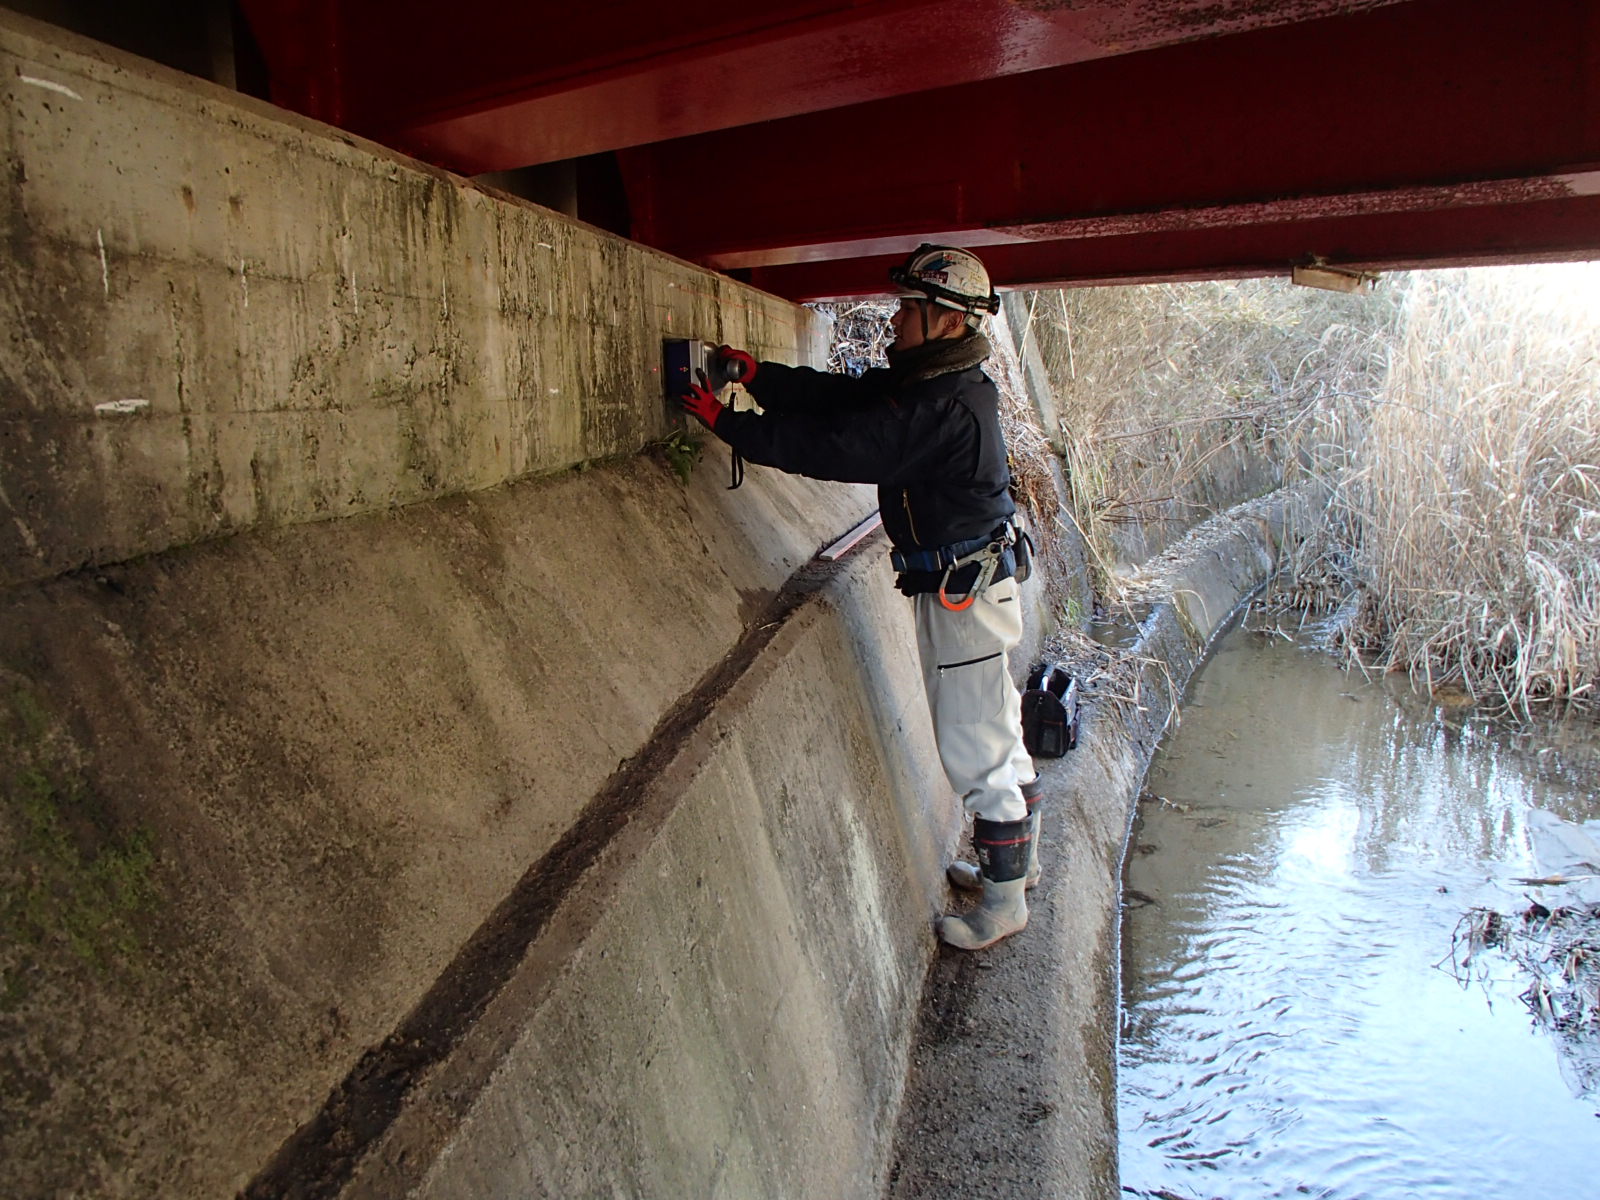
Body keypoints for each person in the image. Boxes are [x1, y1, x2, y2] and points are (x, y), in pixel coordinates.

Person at [680, 245, 1043, 951]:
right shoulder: (941, 386)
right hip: (972, 584)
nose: (896, 320)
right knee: (997, 734)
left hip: (960, 595)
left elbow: (845, 447)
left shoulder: (944, 409)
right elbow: (845, 402)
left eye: (910, 309)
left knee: (976, 745)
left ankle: (1004, 906)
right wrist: (762, 379)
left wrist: (732, 426)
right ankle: (1013, 874)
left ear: (947, 321)